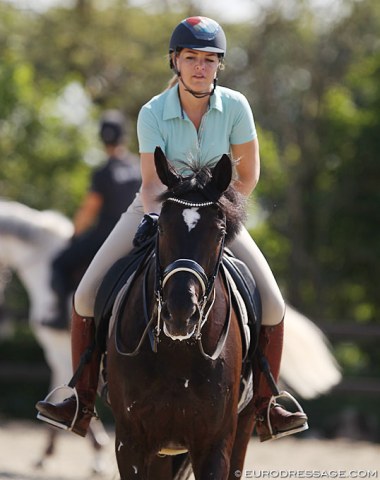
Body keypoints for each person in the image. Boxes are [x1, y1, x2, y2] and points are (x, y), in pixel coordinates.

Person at [36, 16, 308, 442]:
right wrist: (159, 221)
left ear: (219, 65)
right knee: (86, 293)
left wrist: (218, 214)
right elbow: (150, 183)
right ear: (175, 62)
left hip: (216, 213)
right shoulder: (152, 112)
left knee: (272, 303)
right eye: (191, 58)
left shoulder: (236, 107)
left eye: (209, 59)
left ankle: (267, 405)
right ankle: (80, 399)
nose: (201, 67)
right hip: (157, 209)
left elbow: (249, 176)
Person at [43, 110, 141, 329]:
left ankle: (60, 317)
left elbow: (88, 212)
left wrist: (74, 235)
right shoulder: (139, 167)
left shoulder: (103, 173)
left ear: (102, 140)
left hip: (105, 237)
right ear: (124, 136)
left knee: (59, 263)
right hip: (139, 235)